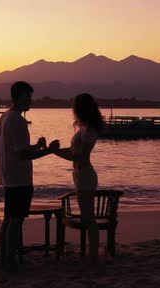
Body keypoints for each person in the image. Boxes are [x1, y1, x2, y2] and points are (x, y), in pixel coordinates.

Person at [0, 81, 60, 269]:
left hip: (9, 176)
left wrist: (36, 147)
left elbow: (17, 149)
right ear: (18, 97)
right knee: (16, 220)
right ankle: (10, 260)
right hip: (19, 178)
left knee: (9, 218)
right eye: (28, 97)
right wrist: (49, 150)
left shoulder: (4, 117)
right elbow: (23, 155)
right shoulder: (17, 121)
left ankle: (6, 258)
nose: (30, 101)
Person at [55, 93, 103, 263]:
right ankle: (93, 255)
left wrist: (56, 154)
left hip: (85, 174)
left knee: (88, 218)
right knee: (87, 216)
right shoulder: (84, 128)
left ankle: (94, 256)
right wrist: (57, 151)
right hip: (79, 174)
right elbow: (73, 151)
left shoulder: (89, 130)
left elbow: (79, 157)